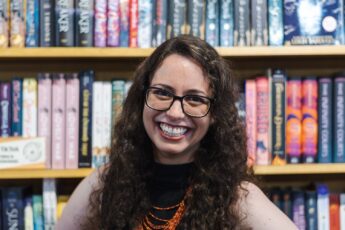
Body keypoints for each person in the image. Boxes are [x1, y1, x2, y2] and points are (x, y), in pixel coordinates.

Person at [56, 35, 297, 230]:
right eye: (162, 93)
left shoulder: (236, 197)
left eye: (194, 99)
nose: (174, 112)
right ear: (142, 98)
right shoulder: (105, 182)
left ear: (215, 115)